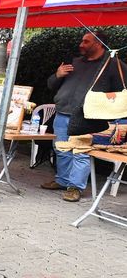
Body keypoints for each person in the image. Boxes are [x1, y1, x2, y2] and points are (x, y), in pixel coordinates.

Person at [42, 31, 119, 202]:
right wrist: (57, 75)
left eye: (86, 42)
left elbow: (120, 91)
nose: (81, 44)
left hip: (87, 118)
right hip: (62, 113)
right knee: (61, 149)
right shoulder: (75, 63)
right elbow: (51, 85)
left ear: (98, 44)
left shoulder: (111, 65)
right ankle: (62, 181)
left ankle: (75, 187)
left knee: (80, 153)